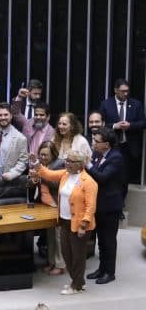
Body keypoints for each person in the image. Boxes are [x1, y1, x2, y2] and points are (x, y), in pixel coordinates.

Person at [31, 149, 98, 295]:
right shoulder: (65, 175)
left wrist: (83, 225)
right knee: (67, 254)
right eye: (66, 160)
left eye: (71, 161)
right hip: (64, 221)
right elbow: (47, 174)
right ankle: (78, 281)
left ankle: (77, 285)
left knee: (78, 256)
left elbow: (91, 207)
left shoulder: (89, 182)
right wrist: (36, 163)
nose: (66, 163)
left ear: (80, 164)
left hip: (79, 225)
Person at [86, 127, 125, 284]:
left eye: (96, 141)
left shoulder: (116, 157)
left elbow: (101, 177)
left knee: (109, 241)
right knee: (101, 240)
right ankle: (101, 269)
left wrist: (87, 164)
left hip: (110, 206)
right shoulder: (97, 154)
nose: (93, 143)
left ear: (106, 144)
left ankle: (110, 272)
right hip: (98, 205)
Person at [98, 78, 146, 185]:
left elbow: (143, 123)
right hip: (111, 146)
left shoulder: (136, 104)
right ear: (115, 90)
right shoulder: (106, 104)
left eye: (127, 91)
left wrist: (130, 125)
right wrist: (115, 126)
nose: (126, 93)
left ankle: (121, 199)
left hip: (128, 147)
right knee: (110, 175)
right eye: (123, 91)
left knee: (124, 178)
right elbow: (100, 124)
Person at [29, 141, 66, 276]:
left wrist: (41, 173)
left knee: (58, 236)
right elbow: (34, 185)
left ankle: (61, 265)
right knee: (50, 236)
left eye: (46, 155)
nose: (42, 157)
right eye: (41, 155)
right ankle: (51, 262)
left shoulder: (60, 164)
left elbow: (57, 185)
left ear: (53, 155)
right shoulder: (40, 164)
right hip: (46, 205)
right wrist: (34, 178)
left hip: (58, 204)